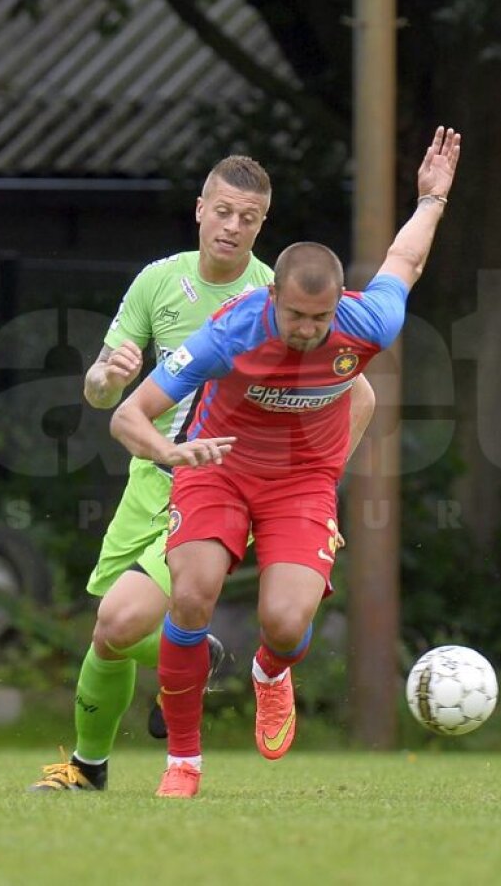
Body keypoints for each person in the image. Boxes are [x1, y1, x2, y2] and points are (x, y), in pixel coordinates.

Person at [111, 125, 461, 798]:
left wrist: (431, 202)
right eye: (295, 315)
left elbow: (404, 262)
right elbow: (128, 413)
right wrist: (170, 450)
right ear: (273, 297)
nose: (307, 329)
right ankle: (183, 762)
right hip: (217, 466)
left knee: (288, 620)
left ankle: (271, 671)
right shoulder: (233, 330)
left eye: (318, 316)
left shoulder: (365, 325)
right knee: (191, 592)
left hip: (300, 480)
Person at [29, 154, 378, 791]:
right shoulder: (157, 282)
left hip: (224, 483)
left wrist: (317, 482)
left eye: (248, 218)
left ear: (262, 224)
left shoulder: (282, 296)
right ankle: (94, 762)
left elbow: (357, 393)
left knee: (125, 619)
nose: (232, 227)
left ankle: (183, 665)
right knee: (108, 628)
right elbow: (103, 393)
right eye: (222, 212)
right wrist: (107, 377)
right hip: (150, 473)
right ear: (199, 210)